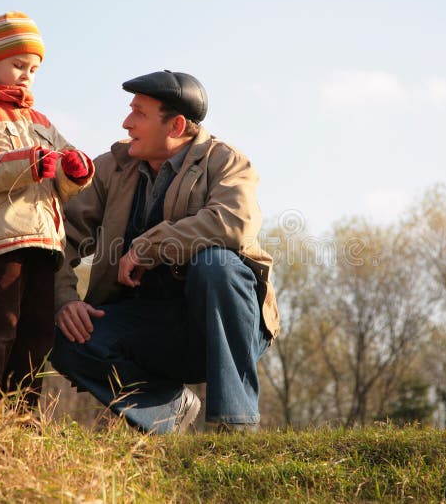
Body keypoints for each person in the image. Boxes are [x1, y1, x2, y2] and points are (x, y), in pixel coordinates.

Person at [50, 70, 280, 433]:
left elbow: (234, 221)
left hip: (226, 327)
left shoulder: (226, 162)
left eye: (139, 113)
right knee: (65, 334)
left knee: (217, 265)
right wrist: (65, 299)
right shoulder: (110, 168)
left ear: (175, 126)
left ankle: (235, 427)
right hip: (150, 326)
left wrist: (149, 247)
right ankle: (168, 408)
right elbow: (60, 237)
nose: (126, 123)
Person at [0, 11, 95, 411]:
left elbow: (59, 171)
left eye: (34, 68)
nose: (27, 74)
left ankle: (18, 417)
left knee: (38, 331)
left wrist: (75, 171)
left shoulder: (39, 120)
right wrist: (27, 163)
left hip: (45, 240)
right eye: (18, 65)